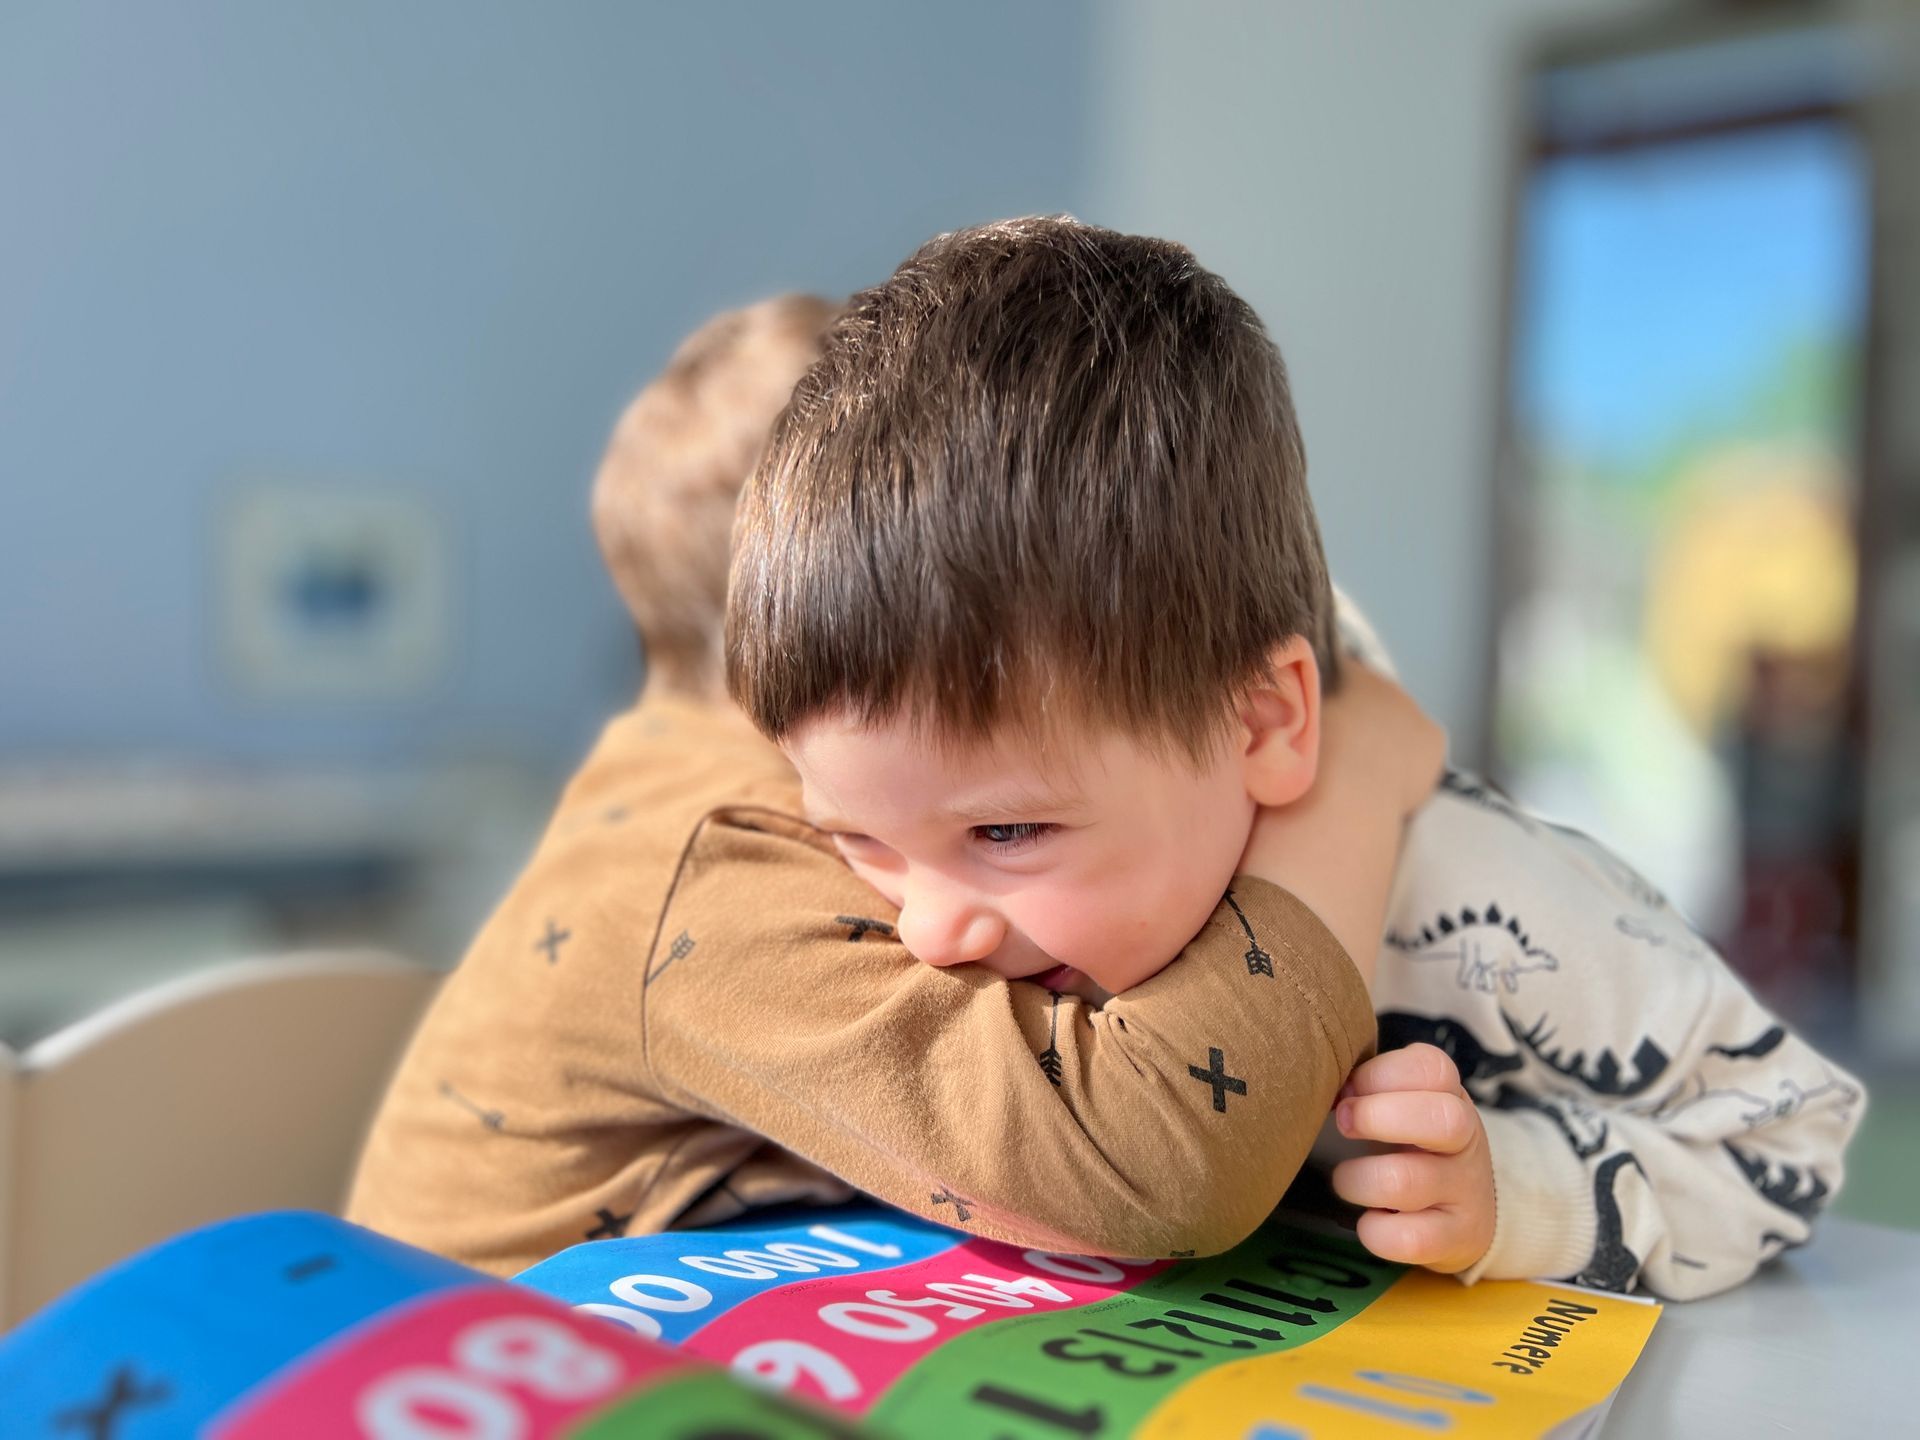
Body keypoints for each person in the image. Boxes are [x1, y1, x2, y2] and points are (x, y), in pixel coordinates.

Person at [723, 217, 1865, 1300]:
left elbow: (1785, 1130)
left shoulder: (1498, 913)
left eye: (1007, 833)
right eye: (860, 837)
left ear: (1264, 725)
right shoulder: (1006, 844)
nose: (929, 937)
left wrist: (1520, 1194)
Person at [346, 295, 1436, 1276]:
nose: (933, 927)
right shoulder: (720, 856)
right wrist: (1350, 776)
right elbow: (1159, 1157)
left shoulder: (777, 791)